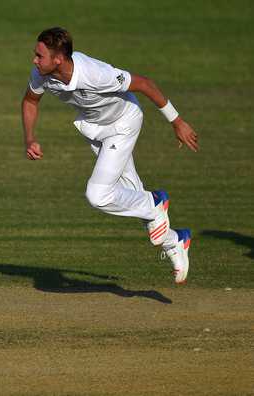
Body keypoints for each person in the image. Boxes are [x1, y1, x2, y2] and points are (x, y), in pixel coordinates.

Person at [21, 27, 199, 284]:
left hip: (123, 124)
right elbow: (30, 101)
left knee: (98, 194)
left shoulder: (95, 74)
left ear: (58, 59)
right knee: (131, 199)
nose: (34, 60)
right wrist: (30, 138)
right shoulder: (42, 74)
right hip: (95, 130)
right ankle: (176, 241)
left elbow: (144, 83)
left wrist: (177, 121)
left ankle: (155, 201)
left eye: (39, 55)